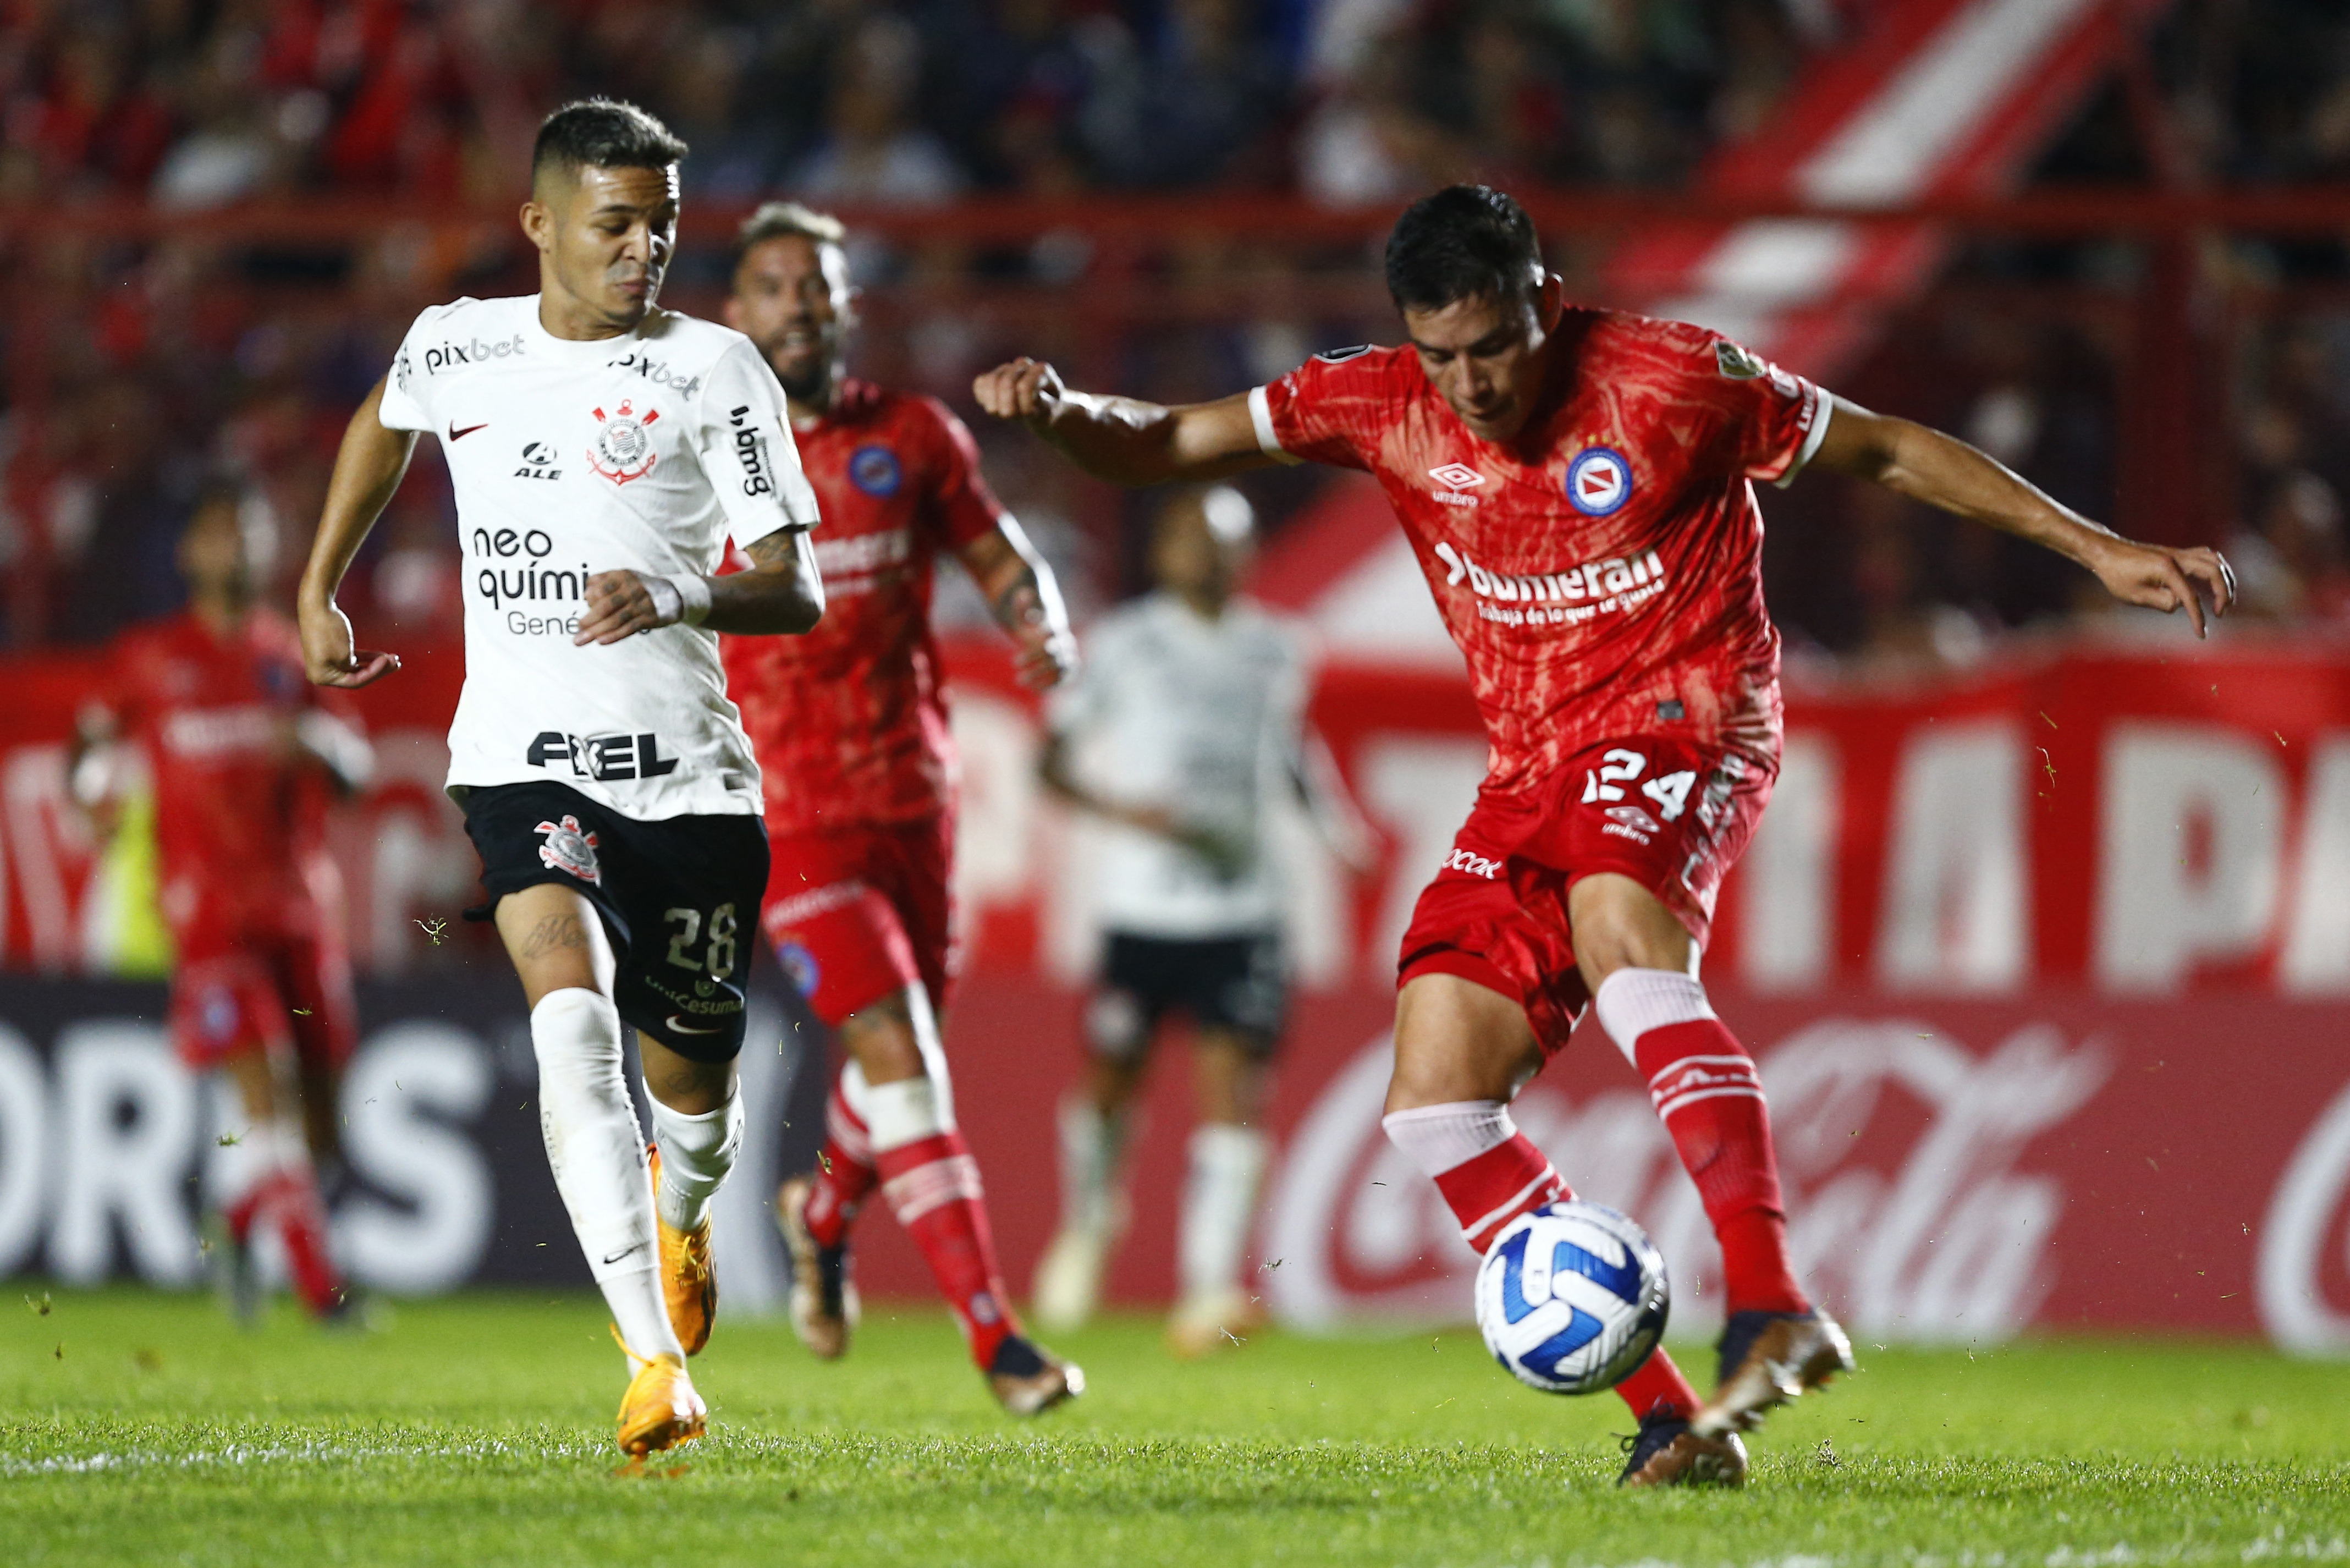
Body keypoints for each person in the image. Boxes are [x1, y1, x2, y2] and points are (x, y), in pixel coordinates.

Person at [975, 184, 2236, 1487]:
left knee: (1618, 918)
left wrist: (2096, 552)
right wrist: (1068, 415)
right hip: (1528, 766)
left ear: (1548, 302)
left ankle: (1768, 1298)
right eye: (1441, 353)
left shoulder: (1671, 379)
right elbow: (1163, 445)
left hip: (1687, 718)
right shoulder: (1371, 397)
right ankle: (1668, 1420)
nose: (1468, 382)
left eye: (1494, 346)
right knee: (1434, 1100)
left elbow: (1887, 449)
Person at [296, 100, 827, 1457]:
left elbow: (795, 589)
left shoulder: (717, 370)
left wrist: (677, 588)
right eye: (615, 223)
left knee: (693, 1091)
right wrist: (319, 587)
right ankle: (655, 1364)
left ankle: (686, 1208)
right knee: (566, 1011)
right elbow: (383, 418)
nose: (645, 246)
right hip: (523, 760)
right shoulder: (458, 341)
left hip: (694, 783)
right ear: (539, 224)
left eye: (662, 221)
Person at [720, 201, 1083, 1414]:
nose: (797, 305)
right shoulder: (692, 457)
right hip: (789, 814)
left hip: (914, 803)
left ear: (845, 305)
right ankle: (997, 1339)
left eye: (816, 285)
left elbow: (998, 555)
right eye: (773, 286)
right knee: (898, 1052)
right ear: (737, 311)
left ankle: (820, 1216)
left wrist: (1041, 619)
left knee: (899, 1060)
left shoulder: (913, 437)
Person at [1031, 483, 1369, 1356]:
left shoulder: (1278, 648)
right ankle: (1089, 1221)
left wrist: (1338, 829)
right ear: (1162, 551)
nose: (1204, 555)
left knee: (1236, 1092)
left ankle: (1209, 1287)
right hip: (1140, 907)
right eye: (1187, 537)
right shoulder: (1123, 642)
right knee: (1110, 1081)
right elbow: (1052, 761)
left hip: (1245, 908)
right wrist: (1123, 812)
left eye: (1222, 541)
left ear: (1246, 555)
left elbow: (1289, 751)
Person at [72, 485, 373, 1326]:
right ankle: (326, 1292)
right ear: (189, 554)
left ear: (270, 544)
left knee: (321, 1128)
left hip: (300, 913)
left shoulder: (295, 653)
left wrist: (316, 744)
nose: (233, 549)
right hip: (206, 918)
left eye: (248, 531)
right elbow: (89, 748)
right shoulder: (151, 656)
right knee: (263, 1089)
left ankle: (239, 1221)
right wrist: (89, 794)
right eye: (217, 535)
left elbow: (356, 772)